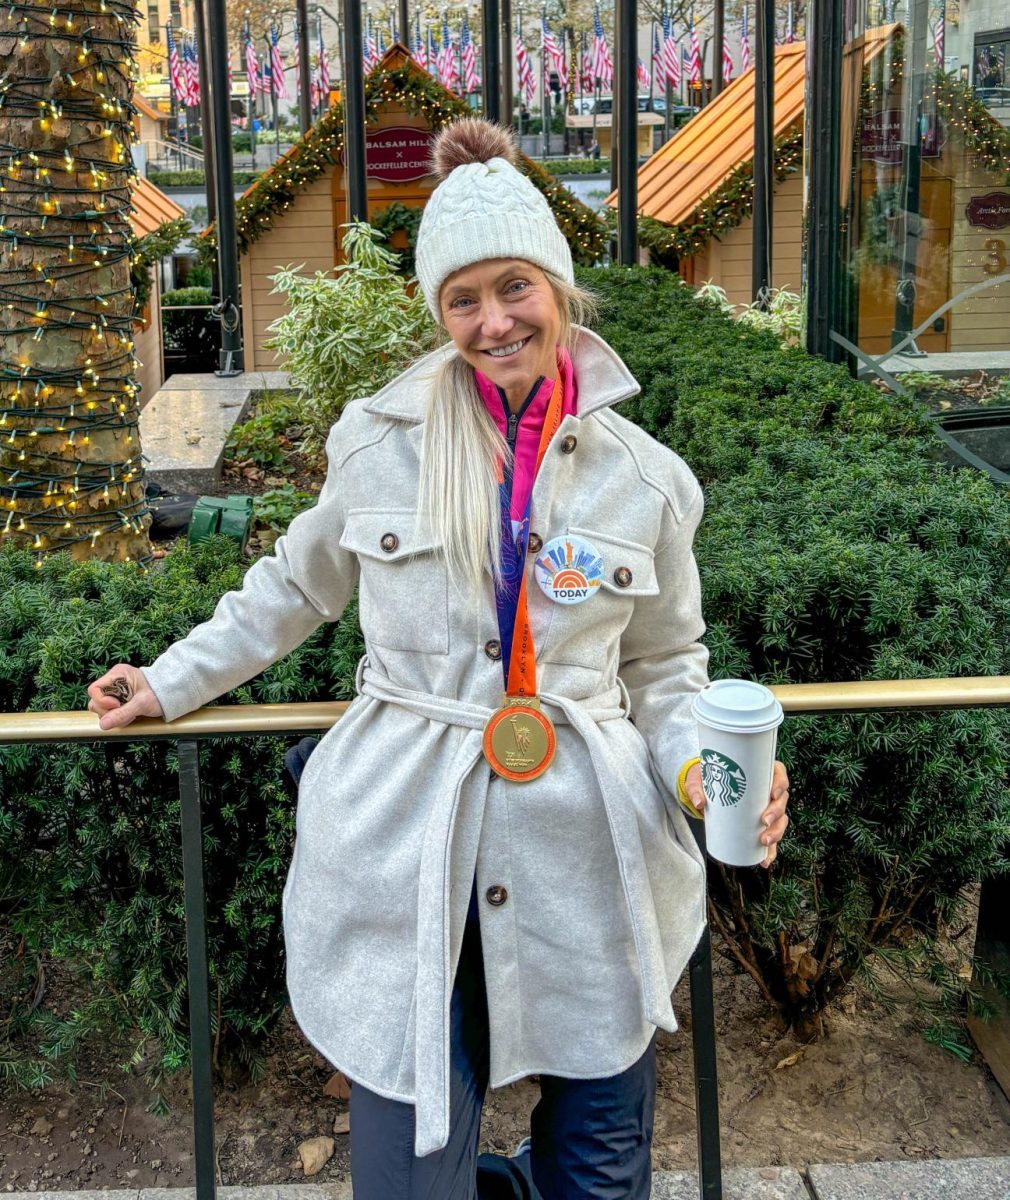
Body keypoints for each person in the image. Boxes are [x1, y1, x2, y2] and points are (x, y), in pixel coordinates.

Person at [88, 118, 789, 1200]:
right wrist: (167, 679)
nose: (492, 321)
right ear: (438, 312)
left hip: (587, 854)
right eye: (462, 300)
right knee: (413, 1175)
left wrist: (702, 772)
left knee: (600, 1169)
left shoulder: (646, 481)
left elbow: (666, 670)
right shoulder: (377, 442)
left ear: (557, 290)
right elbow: (292, 587)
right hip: (405, 846)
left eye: (514, 288)